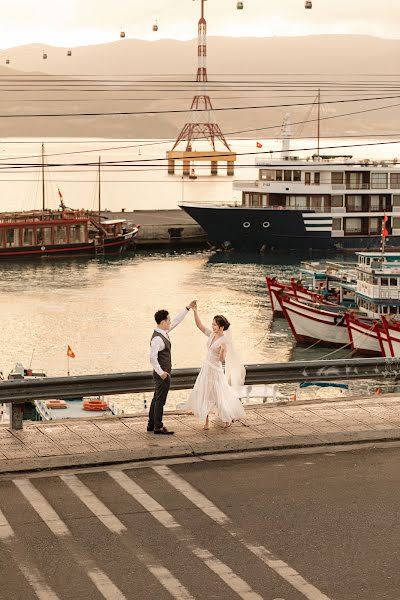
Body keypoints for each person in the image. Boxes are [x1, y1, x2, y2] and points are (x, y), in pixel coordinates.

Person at [188, 304, 246, 429]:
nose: (212, 326)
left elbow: (221, 359)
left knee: (219, 394)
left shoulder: (224, 341)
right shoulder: (211, 335)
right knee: (205, 393)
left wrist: (222, 351)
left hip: (216, 370)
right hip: (206, 368)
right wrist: (195, 311)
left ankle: (227, 417)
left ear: (222, 327)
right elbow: (200, 326)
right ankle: (206, 421)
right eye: (212, 324)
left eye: (215, 324)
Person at [148, 301, 196, 434]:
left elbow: (176, 321)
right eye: (168, 320)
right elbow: (152, 357)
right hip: (162, 373)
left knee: (156, 398)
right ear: (163, 322)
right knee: (160, 400)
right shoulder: (157, 338)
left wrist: (187, 308)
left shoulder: (163, 331)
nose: (170, 321)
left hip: (162, 372)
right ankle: (158, 426)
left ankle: (151, 425)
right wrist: (161, 373)